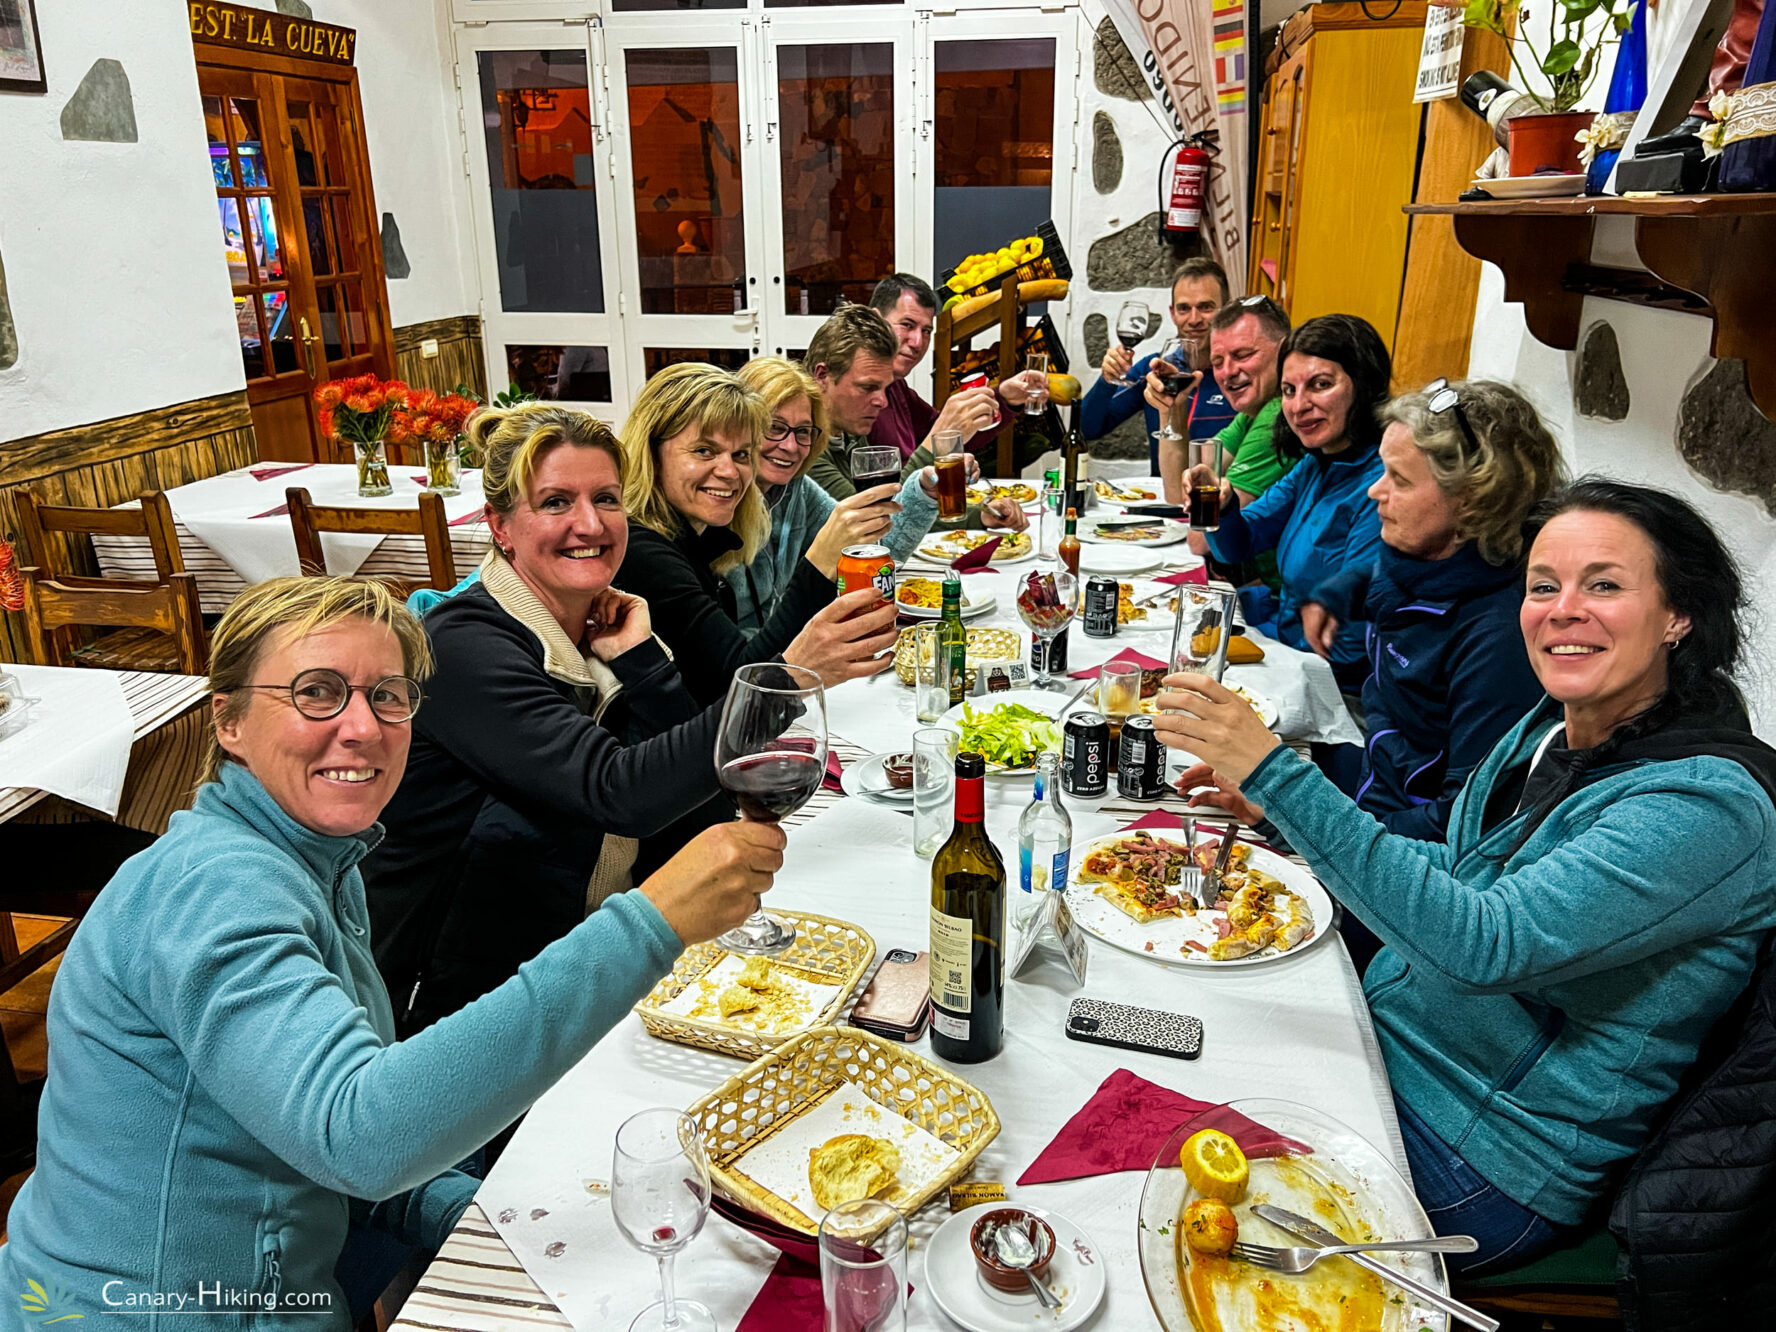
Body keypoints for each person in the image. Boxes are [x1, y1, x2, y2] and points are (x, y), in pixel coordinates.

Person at [0, 577, 783, 1326]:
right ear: (228, 721)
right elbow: (357, 1133)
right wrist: (649, 924)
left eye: (388, 695)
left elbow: (304, 1140)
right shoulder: (217, 888)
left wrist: (478, 1212)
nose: (364, 727)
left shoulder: (314, 860)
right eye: (316, 692)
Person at [1151, 479, 1776, 1276]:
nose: (1563, 610)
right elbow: (1464, 872)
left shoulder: (1707, 808)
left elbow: (1485, 945)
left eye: (1604, 586)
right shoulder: (1553, 728)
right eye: (1543, 586)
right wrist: (1281, 817)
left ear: (1679, 615)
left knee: (1166, 1196)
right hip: (1391, 1040)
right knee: (1167, 1034)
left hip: (1486, 1151)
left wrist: (1280, 774)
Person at [365, 403, 800, 1031]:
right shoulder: (461, 646)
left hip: (585, 970)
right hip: (456, 1012)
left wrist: (644, 663)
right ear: (500, 526)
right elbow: (617, 793)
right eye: (555, 502)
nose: (590, 524)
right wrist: (786, 680)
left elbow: (699, 812)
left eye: (606, 499)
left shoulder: (605, 632)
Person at [1182, 380, 1564, 844]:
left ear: (1472, 500)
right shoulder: (1419, 558)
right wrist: (1271, 776)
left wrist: (1293, 819)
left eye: (1399, 480)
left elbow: (1459, 831)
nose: (1373, 491)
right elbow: (1375, 577)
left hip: (1393, 853)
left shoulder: (1501, 640)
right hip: (1368, 793)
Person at [615, 361, 901, 707]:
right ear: (652, 453)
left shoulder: (702, 538)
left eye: (740, 454)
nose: (729, 471)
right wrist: (819, 563)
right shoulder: (642, 551)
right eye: (704, 450)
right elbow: (745, 682)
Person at [1190, 312, 1390, 690]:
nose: (1298, 406)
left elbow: (1347, 644)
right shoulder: (1315, 465)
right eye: (1288, 390)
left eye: (1320, 385)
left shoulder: (1382, 485)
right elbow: (1237, 546)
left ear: (1363, 385)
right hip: (1289, 650)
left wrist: (1269, 661)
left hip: (1335, 686)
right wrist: (1223, 504)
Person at [729, 356, 948, 632]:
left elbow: (869, 553)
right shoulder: (717, 502)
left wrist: (924, 493)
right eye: (774, 427)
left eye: (803, 431)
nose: (790, 446)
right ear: (739, 426)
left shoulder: (797, 488)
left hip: (784, 646)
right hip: (752, 654)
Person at [802, 305, 1027, 535]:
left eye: (884, 388)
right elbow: (875, 526)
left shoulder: (848, 430)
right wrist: (938, 438)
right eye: (868, 387)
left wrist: (979, 517)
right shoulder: (800, 445)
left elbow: (891, 510)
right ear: (822, 376)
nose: (882, 402)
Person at [1080, 257, 1238, 478]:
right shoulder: (1155, 370)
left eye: (1205, 307)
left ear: (1227, 310)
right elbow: (1087, 429)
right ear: (1172, 313)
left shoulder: (1240, 376)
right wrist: (1107, 380)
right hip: (1164, 495)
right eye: (1184, 308)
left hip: (1218, 496)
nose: (1194, 319)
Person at [865, 272, 1037, 462]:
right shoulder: (854, 394)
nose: (917, 342)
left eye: (926, 331)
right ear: (875, 321)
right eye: (907, 325)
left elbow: (946, 437)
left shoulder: (898, 387)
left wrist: (1005, 397)